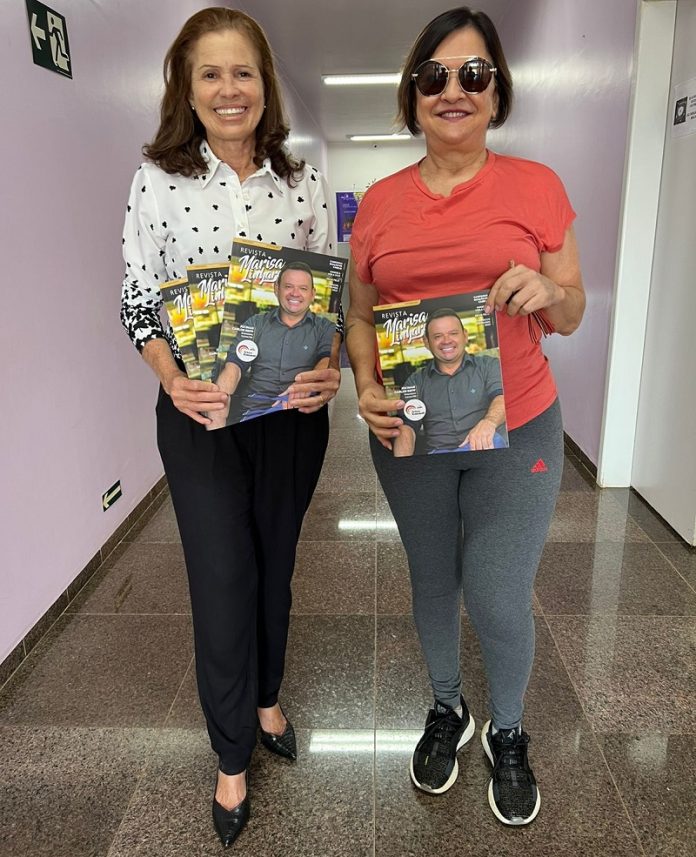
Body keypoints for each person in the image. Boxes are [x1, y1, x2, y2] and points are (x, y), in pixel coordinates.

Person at [347, 6, 585, 827]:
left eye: (473, 74)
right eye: (434, 76)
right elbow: (359, 315)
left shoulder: (537, 186)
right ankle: (448, 706)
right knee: (431, 577)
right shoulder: (379, 204)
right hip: (410, 430)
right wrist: (364, 380)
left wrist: (549, 291)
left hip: (519, 423)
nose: (454, 90)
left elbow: (572, 309)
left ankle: (508, 728)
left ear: (497, 91)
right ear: (413, 94)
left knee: (495, 588)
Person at [120, 8, 340, 848]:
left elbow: (328, 298)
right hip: (200, 417)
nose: (227, 89)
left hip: (290, 418)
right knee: (222, 576)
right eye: (209, 74)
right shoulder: (156, 180)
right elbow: (138, 297)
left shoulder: (303, 179)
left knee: (275, 566)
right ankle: (230, 752)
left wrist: (328, 368)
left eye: (242, 71)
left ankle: (268, 697)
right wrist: (170, 377)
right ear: (187, 88)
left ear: (265, 83)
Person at [211, 260, 338, 426]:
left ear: (312, 294)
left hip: (298, 407)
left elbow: (326, 361)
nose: (295, 293)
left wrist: (303, 389)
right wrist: (219, 400)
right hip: (253, 408)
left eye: (303, 288)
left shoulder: (325, 328)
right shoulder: (255, 323)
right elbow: (234, 366)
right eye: (288, 286)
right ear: (276, 289)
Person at [394, 308, 506, 456]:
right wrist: (402, 464)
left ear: (465, 336)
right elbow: (407, 427)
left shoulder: (489, 366)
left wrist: (489, 422)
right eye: (438, 336)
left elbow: (502, 397)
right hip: (439, 457)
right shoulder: (416, 381)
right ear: (426, 342)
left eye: (453, 333)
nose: (446, 340)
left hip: (487, 447)